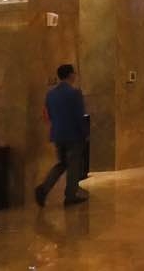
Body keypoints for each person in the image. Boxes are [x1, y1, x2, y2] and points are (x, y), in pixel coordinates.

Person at [35, 65, 89, 207]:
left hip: (58, 134)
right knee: (74, 166)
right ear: (71, 75)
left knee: (62, 163)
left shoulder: (50, 94)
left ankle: (44, 188)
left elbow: (48, 114)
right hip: (73, 135)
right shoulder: (75, 93)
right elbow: (79, 116)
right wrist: (85, 133)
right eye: (74, 73)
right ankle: (70, 195)